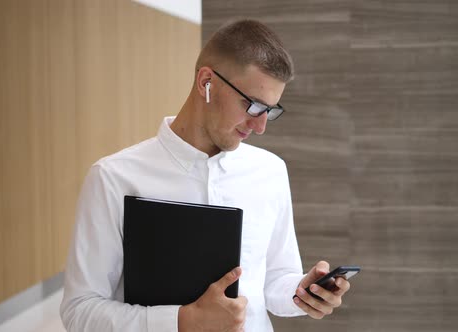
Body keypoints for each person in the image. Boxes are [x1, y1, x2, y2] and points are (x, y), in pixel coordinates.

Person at [60, 19, 351, 332]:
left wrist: (302, 293)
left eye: (270, 110)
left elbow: (273, 282)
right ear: (206, 82)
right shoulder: (113, 177)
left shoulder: (271, 171)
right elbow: (80, 311)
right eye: (252, 105)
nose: (261, 126)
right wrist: (182, 321)